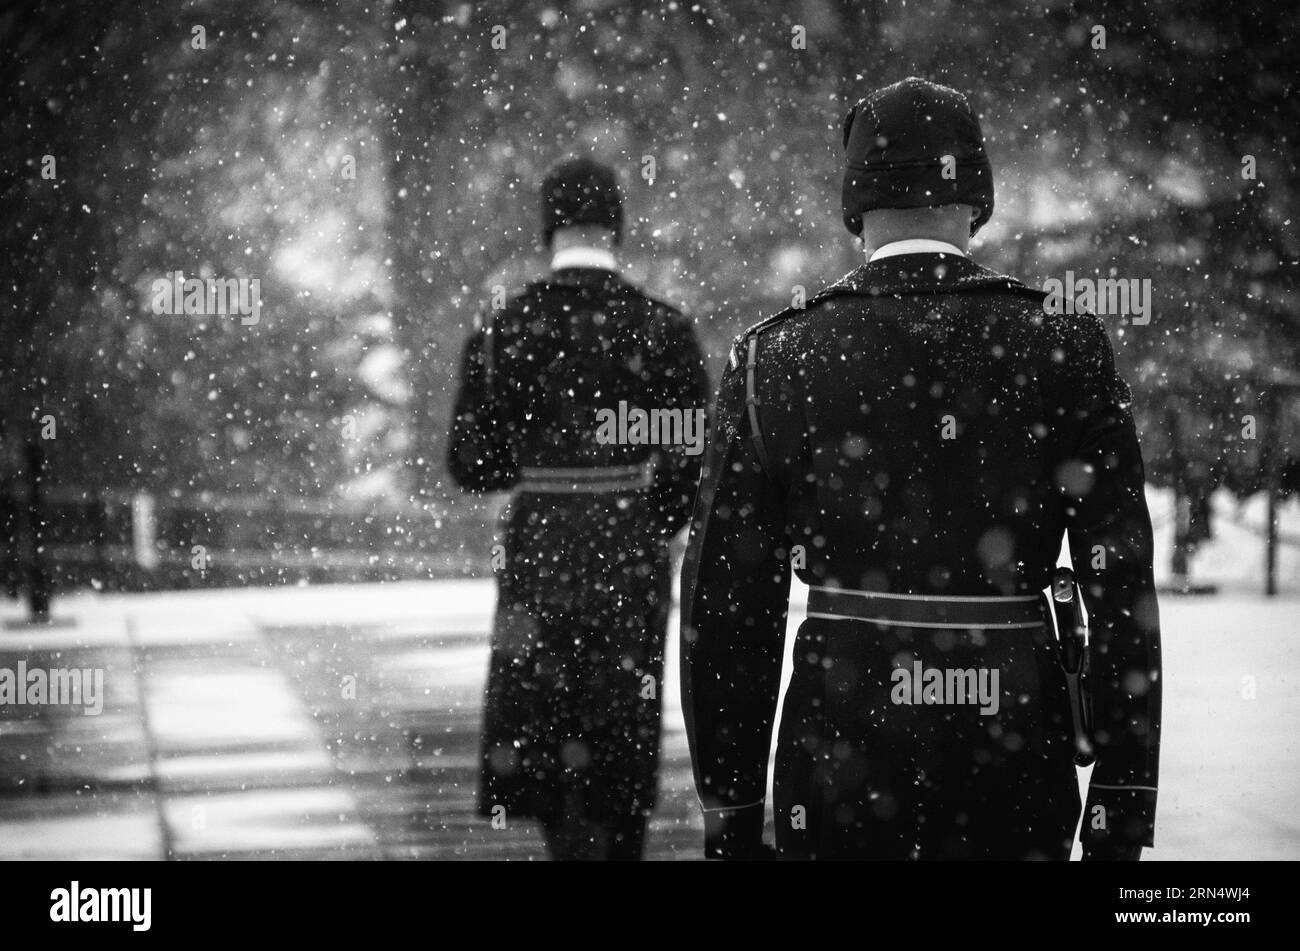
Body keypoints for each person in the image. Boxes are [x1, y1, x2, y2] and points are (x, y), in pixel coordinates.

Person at [680, 77, 1162, 861]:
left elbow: (728, 602)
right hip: (1017, 751)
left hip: (840, 753)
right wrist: (1121, 801)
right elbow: (1118, 580)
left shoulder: (774, 358)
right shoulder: (1065, 347)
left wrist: (730, 803)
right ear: (975, 198)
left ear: (856, 203)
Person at [449, 157, 709, 860]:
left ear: (548, 228)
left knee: (540, 717)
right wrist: (646, 515)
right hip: (627, 543)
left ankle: (563, 840)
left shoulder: (503, 329)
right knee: (622, 720)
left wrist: (533, 466)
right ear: (617, 227)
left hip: (538, 544)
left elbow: (470, 464)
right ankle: (618, 839)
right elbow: (691, 455)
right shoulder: (662, 329)